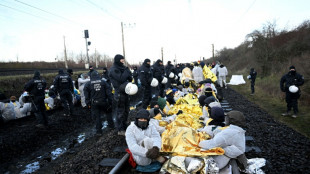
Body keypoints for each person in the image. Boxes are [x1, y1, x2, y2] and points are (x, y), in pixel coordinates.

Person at [109, 54, 133, 135]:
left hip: (126, 91)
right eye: (121, 59)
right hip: (119, 93)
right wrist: (126, 71)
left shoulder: (123, 68)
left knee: (126, 110)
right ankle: (120, 129)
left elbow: (130, 78)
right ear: (117, 60)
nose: (123, 61)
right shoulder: (113, 69)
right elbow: (121, 78)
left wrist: (129, 74)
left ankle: (125, 125)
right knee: (120, 112)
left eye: (123, 59)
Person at [84, 71, 114, 135]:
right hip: (104, 102)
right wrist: (110, 102)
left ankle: (99, 131)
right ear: (98, 75)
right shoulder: (104, 82)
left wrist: (88, 103)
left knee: (97, 116)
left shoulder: (88, 84)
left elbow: (86, 95)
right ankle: (111, 126)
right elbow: (109, 93)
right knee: (108, 112)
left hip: (94, 103)